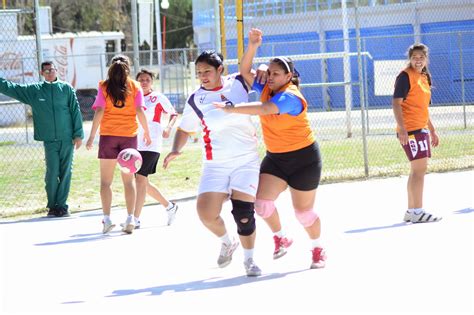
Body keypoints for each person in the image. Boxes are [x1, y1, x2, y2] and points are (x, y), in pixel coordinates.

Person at [214, 28, 326, 269]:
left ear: (289, 76)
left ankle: (318, 248)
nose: (271, 76)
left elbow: (265, 109)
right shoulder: (267, 87)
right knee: (262, 203)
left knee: (303, 213)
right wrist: (253, 45)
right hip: (276, 158)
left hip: (304, 159)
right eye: (270, 72)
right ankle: (281, 237)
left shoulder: (291, 96)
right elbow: (244, 71)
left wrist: (233, 109)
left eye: (277, 73)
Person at [163, 50, 262, 277]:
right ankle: (228, 242)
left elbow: (257, 73)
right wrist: (176, 150)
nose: (203, 76)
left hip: (245, 160)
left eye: (207, 71)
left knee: (243, 214)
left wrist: (258, 56)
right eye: (199, 72)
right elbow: (185, 128)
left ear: (220, 70)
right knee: (206, 213)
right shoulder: (196, 99)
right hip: (215, 164)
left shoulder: (238, 82)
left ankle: (250, 260)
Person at [0, 61, 84, 217]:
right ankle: (52, 206)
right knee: (52, 173)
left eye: (52, 70)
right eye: (46, 71)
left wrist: (78, 134)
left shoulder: (66, 89)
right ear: (41, 73)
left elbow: (75, 111)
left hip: (67, 138)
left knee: (66, 172)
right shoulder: (35, 91)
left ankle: (62, 206)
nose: (50, 73)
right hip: (49, 140)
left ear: (56, 71)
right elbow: (11, 88)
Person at [86, 55, 151, 234]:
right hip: (129, 137)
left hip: (108, 136)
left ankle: (107, 220)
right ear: (128, 69)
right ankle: (130, 218)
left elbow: (99, 111)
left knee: (105, 182)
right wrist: (146, 131)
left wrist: (91, 136)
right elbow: (139, 110)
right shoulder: (135, 86)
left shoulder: (104, 86)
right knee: (128, 182)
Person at [392, 43, 442, 224]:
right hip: (410, 129)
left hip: (421, 128)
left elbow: (423, 107)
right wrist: (402, 129)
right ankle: (418, 211)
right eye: (415, 57)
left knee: (416, 171)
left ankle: (411, 211)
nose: (418, 60)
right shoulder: (405, 76)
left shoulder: (424, 77)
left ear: (426, 59)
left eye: (421, 57)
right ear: (410, 59)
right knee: (420, 170)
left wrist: (432, 130)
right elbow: (396, 104)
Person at [132, 69, 179, 228]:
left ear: (151, 82)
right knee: (142, 182)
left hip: (152, 143)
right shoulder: (134, 97)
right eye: (141, 80)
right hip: (135, 143)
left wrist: (168, 128)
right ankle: (170, 207)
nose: (144, 82)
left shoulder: (158, 97)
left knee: (140, 180)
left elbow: (173, 114)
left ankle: (135, 219)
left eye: (147, 79)